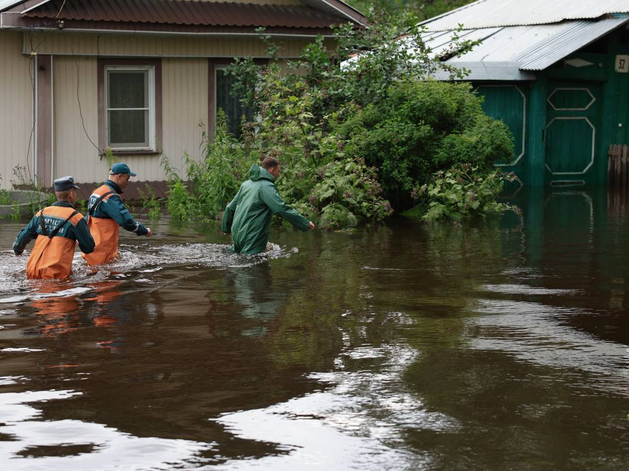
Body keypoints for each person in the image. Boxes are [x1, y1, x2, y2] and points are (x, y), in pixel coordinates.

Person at [222, 157, 315, 255]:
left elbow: (230, 207)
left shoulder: (246, 184)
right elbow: (280, 209)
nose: (278, 175)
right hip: (253, 235)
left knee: (240, 263)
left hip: (237, 233)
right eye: (278, 171)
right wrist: (304, 222)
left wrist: (226, 228)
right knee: (252, 266)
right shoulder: (266, 186)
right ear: (272, 170)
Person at [13, 176, 95, 280]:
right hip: (55, 276)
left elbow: (21, 239)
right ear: (71, 194)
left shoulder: (41, 213)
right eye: (75, 192)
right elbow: (88, 248)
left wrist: (18, 251)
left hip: (32, 271)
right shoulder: (76, 218)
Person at [82, 163, 152, 266]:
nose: (128, 183)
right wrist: (144, 230)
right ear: (119, 176)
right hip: (102, 255)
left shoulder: (97, 192)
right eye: (127, 179)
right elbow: (126, 221)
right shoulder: (111, 196)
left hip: (90, 251)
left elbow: (86, 219)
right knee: (109, 281)